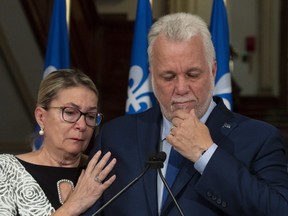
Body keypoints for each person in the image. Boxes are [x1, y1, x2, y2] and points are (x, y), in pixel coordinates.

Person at [86, 13, 288, 216]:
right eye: (168, 76)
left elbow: (279, 210)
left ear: (213, 71)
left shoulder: (259, 139)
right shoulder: (116, 137)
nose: (181, 88)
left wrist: (206, 155)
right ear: (152, 76)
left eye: (192, 74)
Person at [0, 69, 116, 215]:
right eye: (70, 112)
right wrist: (75, 204)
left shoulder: (102, 172)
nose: (82, 125)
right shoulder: (5, 171)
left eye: (91, 116)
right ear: (41, 117)